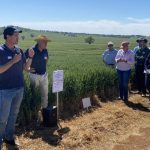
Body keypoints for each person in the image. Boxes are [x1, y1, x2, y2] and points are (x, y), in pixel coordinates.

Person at [0, 26, 34, 149]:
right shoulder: (0, 51)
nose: (17, 37)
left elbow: (26, 68)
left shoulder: (19, 51)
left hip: (19, 89)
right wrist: (13, 62)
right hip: (5, 91)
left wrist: (30, 57)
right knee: (2, 118)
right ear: (7, 36)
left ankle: (9, 138)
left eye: (18, 35)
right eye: (15, 35)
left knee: (13, 115)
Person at [25, 35, 51, 126]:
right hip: (34, 76)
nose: (46, 43)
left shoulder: (45, 50)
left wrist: (43, 67)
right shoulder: (32, 50)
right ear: (39, 42)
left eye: (46, 42)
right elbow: (23, 60)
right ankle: (35, 117)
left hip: (44, 75)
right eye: (45, 42)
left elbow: (47, 59)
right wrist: (27, 69)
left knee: (45, 95)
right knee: (34, 96)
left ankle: (45, 117)